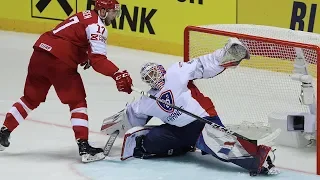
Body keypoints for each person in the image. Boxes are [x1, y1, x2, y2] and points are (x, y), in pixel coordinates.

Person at [101, 38, 280, 176]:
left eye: (154, 72)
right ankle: (184, 146)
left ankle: (262, 157)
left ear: (161, 69)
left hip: (203, 119)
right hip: (178, 131)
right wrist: (111, 125)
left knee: (221, 149)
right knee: (148, 143)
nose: (153, 78)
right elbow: (131, 115)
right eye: (149, 77)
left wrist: (226, 54)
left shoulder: (176, 72)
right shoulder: (147, 101)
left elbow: (203, 64)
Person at [0, 0, 133, 163]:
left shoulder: (84, 15)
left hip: (40, 53)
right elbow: (98, 60)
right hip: (60, 60)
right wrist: (117, 73)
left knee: (30, 98)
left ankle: (4, 132)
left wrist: (84, 55)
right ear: (103, 11)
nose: (115, 16)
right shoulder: (98, 26)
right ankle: (84, 147)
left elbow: (70, 37)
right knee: (77, 102)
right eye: (113, 12)